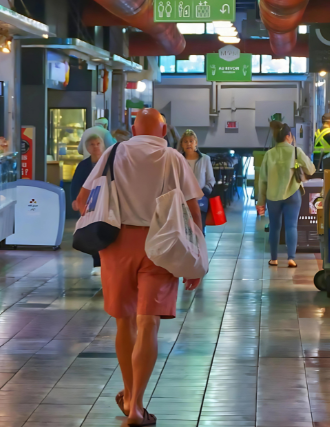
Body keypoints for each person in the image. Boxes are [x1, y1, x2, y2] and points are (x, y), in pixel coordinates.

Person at [75, 108, 204, 426]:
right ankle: (136, 408)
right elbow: (192, 212)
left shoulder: (113, 151)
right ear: (163, 131)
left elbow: (81, 200)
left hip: (117, 245)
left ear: (133, 129)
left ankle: (131, 396)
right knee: (149, 324)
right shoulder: (173, 157)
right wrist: (196, 261)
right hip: (162, 245)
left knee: (125, 324)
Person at [256, 123, 315, 268]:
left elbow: (262, 180)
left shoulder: (269, 154)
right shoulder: (295, 151)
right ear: (288, 136)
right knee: (291, 226)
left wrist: (260, 201)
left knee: (275, 227)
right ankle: (291, 258)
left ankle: (274, 259)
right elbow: (311, 170)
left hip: (272, 196)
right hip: (292, 194)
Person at [71, 134, 106, 276]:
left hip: (105, 202)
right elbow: (75, 184)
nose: (96, 147)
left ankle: (105, 262)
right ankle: (97, 262)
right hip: (89, 204)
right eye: (92, 144)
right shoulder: (83, 166)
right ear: (87, 148)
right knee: (92, 232)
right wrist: (75, 200)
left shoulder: (109, 162)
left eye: (98, 143)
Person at [178, 129, 215, 234]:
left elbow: (211, 180)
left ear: (196, 143)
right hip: (183, 200)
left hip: (200, 200)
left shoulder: (205, 159)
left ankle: (200, 250)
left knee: (199, 230)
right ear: (182, 144)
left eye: (191, 141)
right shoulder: (178, 159)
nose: (188, 144)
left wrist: (203, 193)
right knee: (185, 231)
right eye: (185, 141)